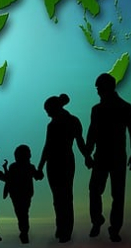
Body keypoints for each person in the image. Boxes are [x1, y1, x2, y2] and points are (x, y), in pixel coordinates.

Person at [85, 73, 131, 242]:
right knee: (97, 190)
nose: (98, 91)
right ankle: (99, 221)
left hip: (115, 156)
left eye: (99, 88)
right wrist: (87, 153)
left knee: (116, 194)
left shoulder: (124, 107)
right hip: (104, 155)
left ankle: (113, 228)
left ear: (107, 88)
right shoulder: (98, 109)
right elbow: (92, 132)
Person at [37, 93, 91, 243]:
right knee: (62, 197)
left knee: (63, 197)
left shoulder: (57, 124)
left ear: (54, 108)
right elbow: (80, 142)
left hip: (60, 162)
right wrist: (87, 156)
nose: (47, 113)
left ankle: (65, 230)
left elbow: (48, 147)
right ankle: (62, 228)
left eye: (47, 110)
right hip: (62, 161)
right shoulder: (71, 121)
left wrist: (40, 167)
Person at [3, 144, 41, 244]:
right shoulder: (28, 167)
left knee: (21, 213)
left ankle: (24, 232)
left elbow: (8, 180)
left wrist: (6, 191)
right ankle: (24, 231)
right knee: (23, 212)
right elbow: (38, 177)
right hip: (23, 194)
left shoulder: (15, 166)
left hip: (18, 194)